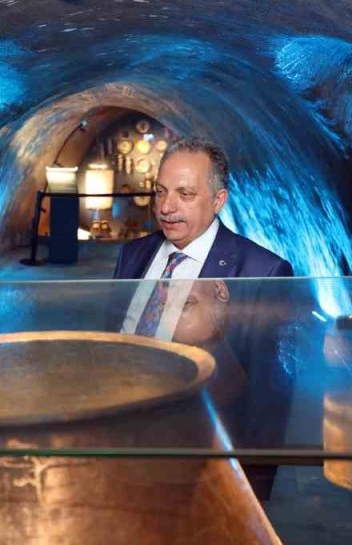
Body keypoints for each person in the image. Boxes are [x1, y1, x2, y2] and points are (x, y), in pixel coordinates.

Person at [112, 136, 295, 499]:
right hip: (122, 445)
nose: (166, 207)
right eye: (161, 191)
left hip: (201, 463)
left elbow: (269, 400)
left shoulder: (261, 272)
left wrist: (251, 493)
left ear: (218, 200)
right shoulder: (132, 254)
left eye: (185, 194)